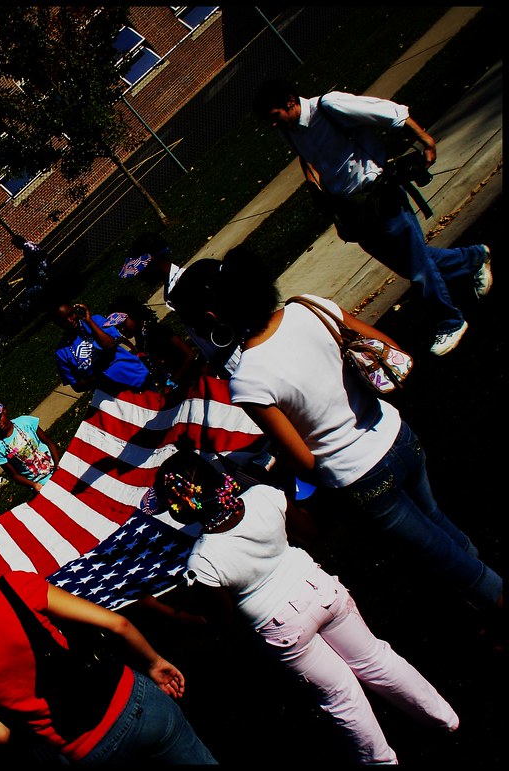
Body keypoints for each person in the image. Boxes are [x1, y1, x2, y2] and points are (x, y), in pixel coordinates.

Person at [165, 246, 502, 613]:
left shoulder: (248, 380)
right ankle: (483, 585)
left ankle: (492, 600)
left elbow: (303, 460)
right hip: (398, 434)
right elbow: (389, 349)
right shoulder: (308, 306)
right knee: (437, 521)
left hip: (361, 478)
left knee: (442, 557)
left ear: (214, 318)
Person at [150, 448, 459, 764]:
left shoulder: (202, 561)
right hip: (321, 590)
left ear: (180, 511)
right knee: (376, 657)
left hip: (282, 626)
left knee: (341, 695)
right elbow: (310, 531)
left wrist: (159, 610)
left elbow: (219, 620)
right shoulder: (263, 497)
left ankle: (380, 762)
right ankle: (443, 719)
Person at [0, 518, 217, 764]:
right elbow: (117, 623)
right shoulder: (12, 588)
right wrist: (155, 663)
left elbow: (0, 734)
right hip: (129, 701)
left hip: (81, 750)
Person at [251, 78, 492, 356]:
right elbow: (308, 158)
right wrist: (315, 188)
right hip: (352, 209)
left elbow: (389, 111)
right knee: (408, 262)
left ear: (290, 102)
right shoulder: (288, 130)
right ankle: (474, 258)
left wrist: (425, 139)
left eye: (273, 116)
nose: (272, 124)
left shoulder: (329, 106)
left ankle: (451, 321)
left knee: (417, 267)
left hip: (380, 193)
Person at [118, 232, 242, 378]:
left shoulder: (186, 287)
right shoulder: (174, 290)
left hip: (239, 362)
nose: (140, 277)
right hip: (229, 364)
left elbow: (224, 333)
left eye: (141, 271)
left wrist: (212, 366)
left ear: (152, 262)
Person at [103, 293, 201, 394]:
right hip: (178, 390)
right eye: (118, 327)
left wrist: (172, 383)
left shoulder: (156, 331)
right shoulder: (140, 339)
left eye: (123, 324)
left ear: (134, 314)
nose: (122, 329)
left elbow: (190, 355)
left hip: (194, 383)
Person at [52, 301, 154, 394]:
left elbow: (109, 344)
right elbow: (77, 386)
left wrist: (89, 322)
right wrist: (99, 377)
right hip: (114, 396)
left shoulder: (96, 321)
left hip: (135, 376)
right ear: (58, 324)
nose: (70, 320)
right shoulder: (61, 352)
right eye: (64, 320)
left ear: (75, 311)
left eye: (71, 314)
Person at [0, 403, 61, 494]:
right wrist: (33, 485)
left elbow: (48, 442)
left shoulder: (24, 421)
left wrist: (57, 462)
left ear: (4, 411)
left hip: (56, 469)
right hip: (40, 485)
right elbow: (14, 475)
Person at [10, 234, 51, 319]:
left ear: (19, 242)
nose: (16, 247)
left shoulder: (27, 246)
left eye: (16, 245)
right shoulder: (28, 245)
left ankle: (29, 308)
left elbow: (34, 258)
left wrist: (31, 269)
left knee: (32, 290)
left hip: (42, 269)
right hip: (40, 268)